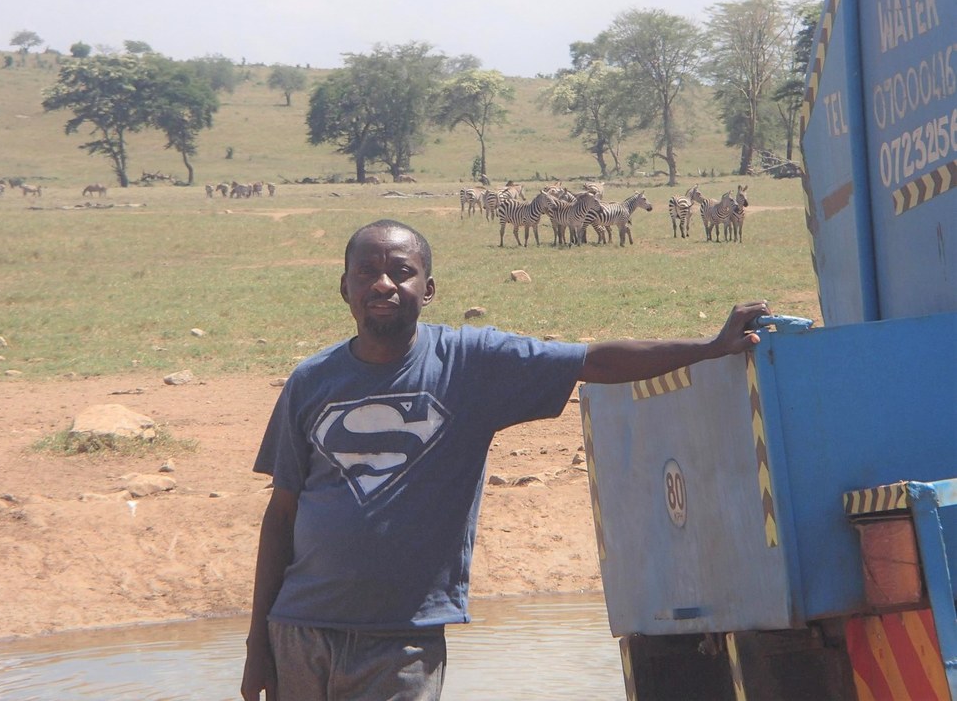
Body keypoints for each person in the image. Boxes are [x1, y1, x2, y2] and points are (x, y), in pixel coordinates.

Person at [241, 218, 770, 701]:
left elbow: (593, 360)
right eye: (367, 272)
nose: (384, 285)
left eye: (402, 272)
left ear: (428, 290)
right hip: (299, 631)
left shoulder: (472, 364)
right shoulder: (311, 381)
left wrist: (708, 347)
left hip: (402, 639)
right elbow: (282, 514)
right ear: (345, 288)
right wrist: (256, 645)